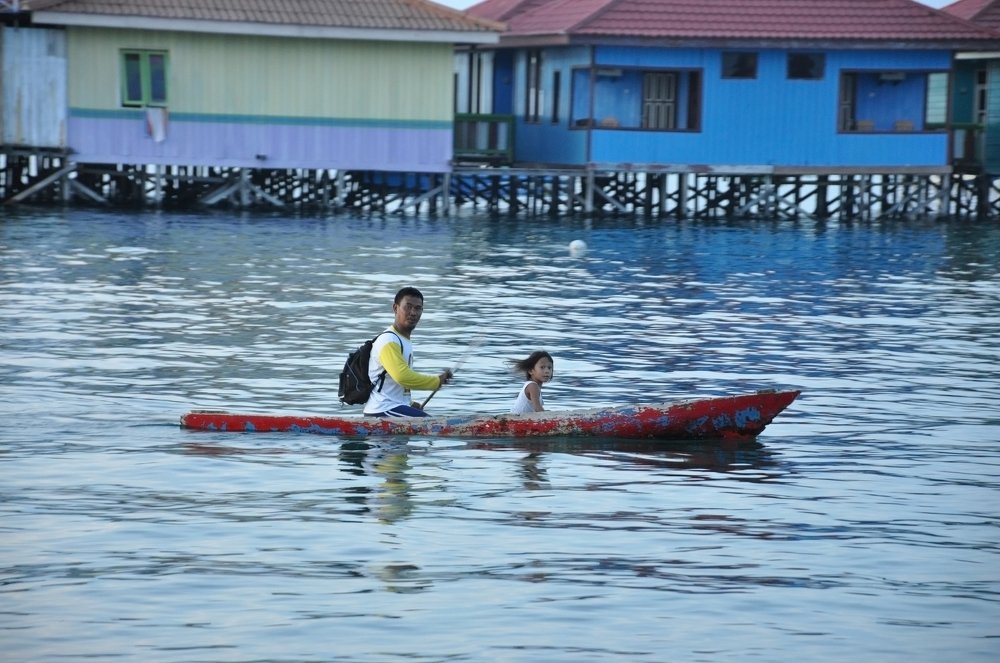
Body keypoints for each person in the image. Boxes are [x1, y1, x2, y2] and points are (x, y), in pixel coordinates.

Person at [363, 287, 452, 418]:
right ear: (395, 308)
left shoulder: (403, 340)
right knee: (434, 425)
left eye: (418, 308)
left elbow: (393, 384)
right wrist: (436, 381)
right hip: (382, 410)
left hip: (393, 408)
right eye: (408, 307)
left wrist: (409, 404)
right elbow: (402, 377)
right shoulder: (389, 340)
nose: (413, 313)